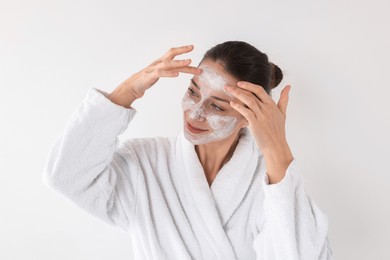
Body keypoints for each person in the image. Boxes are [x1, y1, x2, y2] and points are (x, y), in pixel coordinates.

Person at [42, 42, 334, 259]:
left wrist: (277, 149)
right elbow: (66, 177)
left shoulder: (269, 184)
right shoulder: (147, 163)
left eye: (217, 106)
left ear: (247, 117)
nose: (195, 114)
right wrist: (127, 92)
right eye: (193, 91)